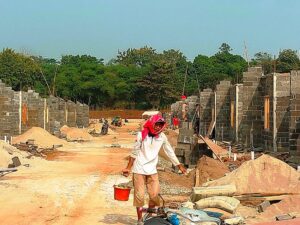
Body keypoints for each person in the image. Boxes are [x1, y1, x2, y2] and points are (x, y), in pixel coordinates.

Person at [122, 114, 186, 225]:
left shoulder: (162, 137)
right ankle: (140, 219)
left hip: (152, 170)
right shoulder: (141, 135)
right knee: (139, 196)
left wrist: (178, 165)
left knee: (154, 195)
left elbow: (169, 151)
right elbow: (134, 152)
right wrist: (128, 168)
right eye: (156, 124)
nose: (158, 127)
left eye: (160, 125)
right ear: (152, 123)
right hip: (139, 169)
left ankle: (150, 214)